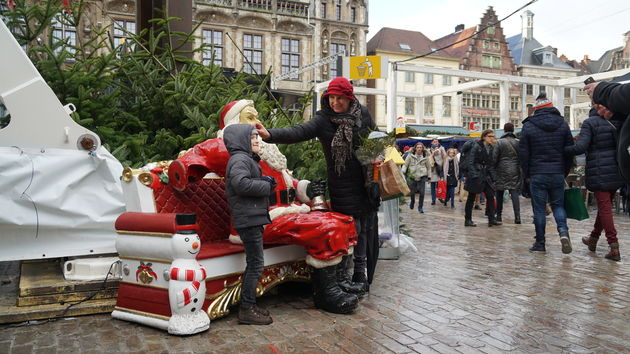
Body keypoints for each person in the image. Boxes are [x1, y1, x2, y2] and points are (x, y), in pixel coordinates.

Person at [168, 99, 361, 315]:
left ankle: (338, 280)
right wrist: (182, 170)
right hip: (263, 218)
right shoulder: (230, 146)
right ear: (234, 124)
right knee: (326, 227)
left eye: (256, 117)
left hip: (283, 213)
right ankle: (326, 294)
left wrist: (307, 189)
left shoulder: (265, 151)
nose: (257, 122)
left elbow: (288, 183)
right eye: (250, 117)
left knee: (342, 220)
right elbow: (194, 158)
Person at [254, 77, 377, 292]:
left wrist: (378, 155)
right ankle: (344, 276)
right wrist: (269, 134)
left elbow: (375, 139)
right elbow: (298, 132)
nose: (335, 102)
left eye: (340, 98)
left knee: (365, 227)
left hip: (366, 181)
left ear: (350, 99)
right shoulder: (323, 120)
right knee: (350, 227)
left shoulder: (363, 114)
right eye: (331, 97)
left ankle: (360, 273)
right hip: (341, 183)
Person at [223, 124, 275, 325]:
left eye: (257, 137)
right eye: (252, 137)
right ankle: (246, 308)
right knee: (255, 264)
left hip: (250, 217)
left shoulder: (245, 159)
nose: (257, 140)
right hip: (248, 219)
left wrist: (264, 180)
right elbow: (241, 184)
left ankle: (249, 305)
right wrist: (267, 185)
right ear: (241, 140)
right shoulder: (239, 159)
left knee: (255, 263)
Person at [565, 107, 625, 261]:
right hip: (617, 169)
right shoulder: (619, 121)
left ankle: (614, 245)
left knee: (605, 209)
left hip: (599, 170)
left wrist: (563, 149)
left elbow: (581, 147)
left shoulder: (590, 123)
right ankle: (593, 239)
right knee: (604, 206)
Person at [519, 92, 574, 254]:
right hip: (557, 171)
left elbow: (523, 153)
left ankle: (540, 243)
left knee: (539, 209)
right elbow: (569, 151)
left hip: (537, 172)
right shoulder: (563, 124)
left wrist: (526, 173)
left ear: (536, 109)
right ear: (551, 107)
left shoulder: (529, 125)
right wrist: (564, 170)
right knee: (558, 205)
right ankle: (563, 232)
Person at [585, 81, 630, 182]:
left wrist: (601, 90)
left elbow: (582, 145)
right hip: (612, 169)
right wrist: (618, 116)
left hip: (601, 167)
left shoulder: (589, 123)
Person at [463, 129, 500, 227]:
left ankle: (491, 219)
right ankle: (468, 220)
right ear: (484, 137)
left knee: (490, 196)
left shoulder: (491, 148)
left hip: (485, 176)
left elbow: (491, 165)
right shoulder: (476, 146)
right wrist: (474, 174)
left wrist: (494, 178)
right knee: (471, 198)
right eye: (490, 136)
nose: (492, 138)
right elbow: (470, 162)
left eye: (493, 136)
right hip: (476, 175)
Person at [493, 122, 522, 224]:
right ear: (513, 130)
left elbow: (494, 158)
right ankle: (517, 216)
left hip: (501, 170)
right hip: (514, 170)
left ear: (504, 130)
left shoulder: (499, 142)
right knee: (514, 193)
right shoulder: (518, 142)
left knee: (499, 193)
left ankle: (499, 216)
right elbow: (521, 157)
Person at [401, 142, 431, 213]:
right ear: (415, 148)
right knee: (412, 192)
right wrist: (403, 171)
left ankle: (420, 207)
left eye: (421, 147)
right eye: (418, 147)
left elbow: (429, 167)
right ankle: (412, 201)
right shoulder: (410, 155)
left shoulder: (425, 156)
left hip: (422, 176)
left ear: (422, 148)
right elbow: (405, 165)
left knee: (422, 193)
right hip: (412, 176)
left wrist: (429, 177)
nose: (419, 149)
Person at [428, 138, 447, 205]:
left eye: (437, 142)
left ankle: (440, 197)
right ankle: (433, 200)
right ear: (432, 143)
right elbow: (428, 159)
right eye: (434, 142)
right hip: (433, 169)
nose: (436, 143)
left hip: (440, 169)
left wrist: (441, 152)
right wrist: (433, 153)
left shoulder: (442, 148)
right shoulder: (429, 150)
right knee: (433, 186)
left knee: (440, 185)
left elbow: (445, 158)